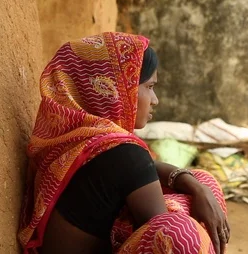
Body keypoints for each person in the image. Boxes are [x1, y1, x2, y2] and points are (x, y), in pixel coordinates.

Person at [18, 32, 229, 253]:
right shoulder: (123, 154)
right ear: (119, 90)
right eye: (149, 87)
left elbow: (146, 168)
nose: (155, 100)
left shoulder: (81, 140)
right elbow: (163, 236)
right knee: (178, 232)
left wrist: (197, 187)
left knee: (203, 183)